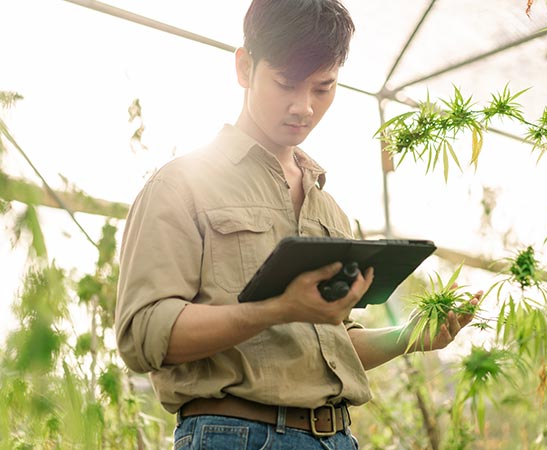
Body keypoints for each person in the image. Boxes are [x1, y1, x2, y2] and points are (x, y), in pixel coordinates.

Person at [115, 0, 482, 449]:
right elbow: (143, 336)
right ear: (245, 67)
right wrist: (276, 309)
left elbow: (330, 344)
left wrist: (410, 337)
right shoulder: (181, 186)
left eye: (323, 88)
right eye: (286, 84)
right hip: (236, 436)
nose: (304, 107)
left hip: (337, 438)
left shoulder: (328, 210)